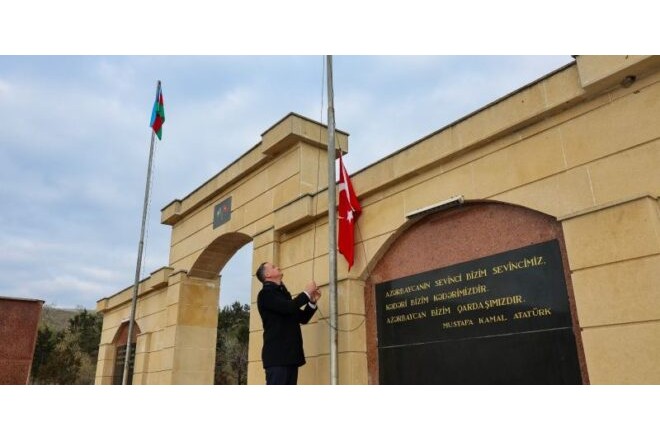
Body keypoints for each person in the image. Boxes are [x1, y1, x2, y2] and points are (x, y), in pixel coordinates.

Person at [256, 262, 321, 385]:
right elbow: (288, 307)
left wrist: (312, 302)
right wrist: (306, 293)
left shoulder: (283, 295)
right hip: (277, 358)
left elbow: (302, 318)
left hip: (290, 357)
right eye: (274, 267)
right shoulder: (265, 294)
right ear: (268, 274)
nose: (278, 267)